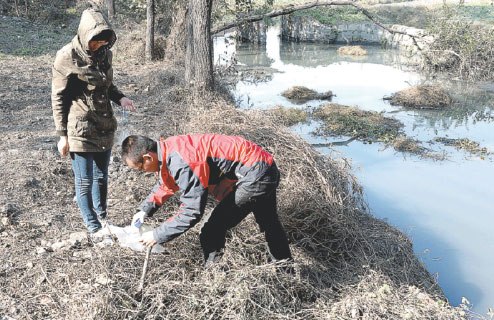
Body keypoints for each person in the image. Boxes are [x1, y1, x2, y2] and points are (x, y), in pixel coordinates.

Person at [121, 134, 293, 267]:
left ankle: (215, 278)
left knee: (211, 231)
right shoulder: (170, 148)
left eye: (140, 168)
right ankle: (286, 269)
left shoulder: (182, 161)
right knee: (269, 222)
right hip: (263, 165)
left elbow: (192, 211)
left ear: (148, 158)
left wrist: (157, 235)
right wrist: (144, 210)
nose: (143, 172)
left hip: (255, 174)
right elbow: (167, 182)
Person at [51, 7, 135, 238]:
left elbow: (107, 86)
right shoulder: (66, 56)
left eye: (103, 41)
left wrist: (121, 98)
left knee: (101, 177)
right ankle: (93, 226)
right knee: (85, 180)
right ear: (85, 35)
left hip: (104, 124)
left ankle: (102, 217)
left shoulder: (105, 54)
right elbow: (58, 97)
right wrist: (62, 135)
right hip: (79, 127)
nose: (99, 45)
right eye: (95, 41)